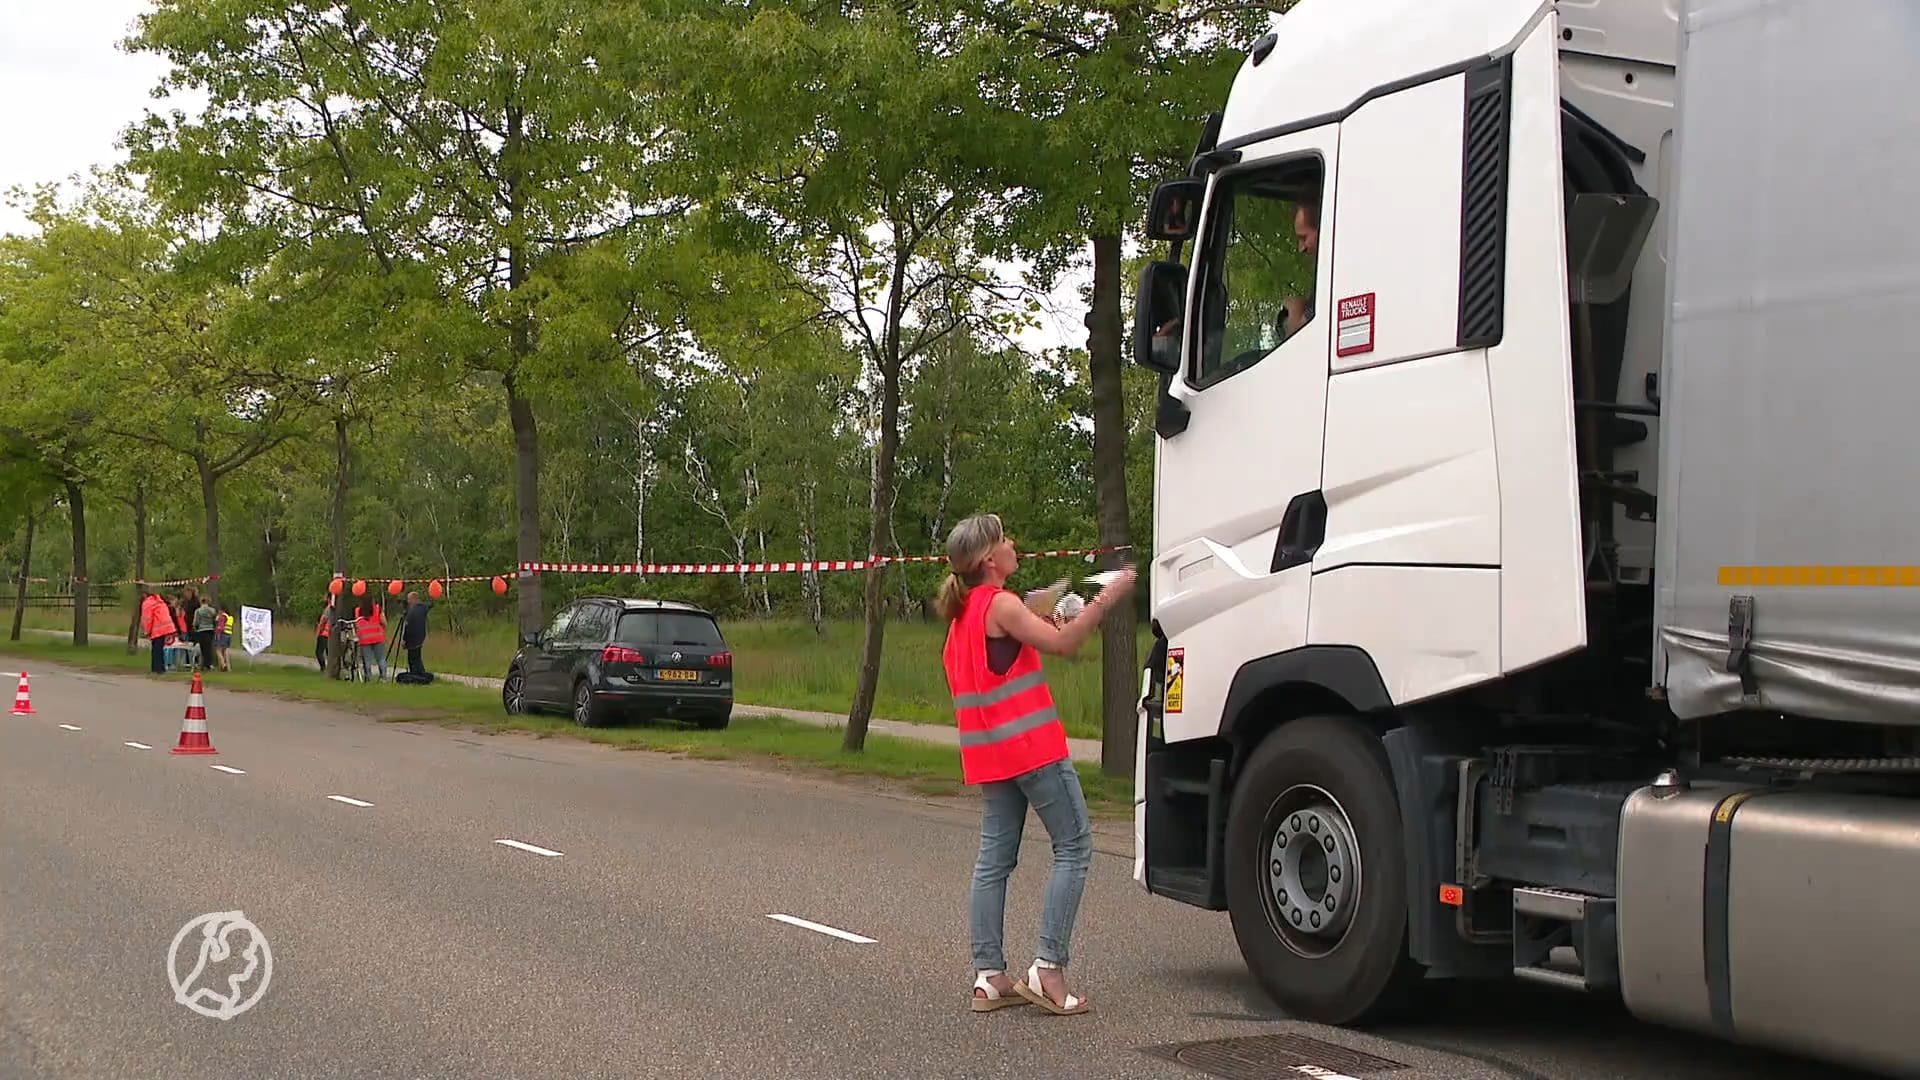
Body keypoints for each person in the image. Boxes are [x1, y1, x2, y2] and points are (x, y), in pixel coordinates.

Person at [937, 512, 1137, 1017]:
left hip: (990, 755)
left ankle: (989, 976)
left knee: (994, 861)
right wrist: (1106, 599)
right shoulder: (1000, 605)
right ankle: (1047, 967)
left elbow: (1003, 659)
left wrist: (1048, 614)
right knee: (1074, 847)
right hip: (1032, 749)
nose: (1013, 542)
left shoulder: (964, 615)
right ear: (989, 559)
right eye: (1005, 538)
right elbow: (1067, 645)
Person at [139, 587, 176, 675]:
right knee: (160, 649)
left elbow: (147, 618)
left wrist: (147, 631)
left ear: (144, 595)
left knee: (156, 649)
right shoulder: (159, 601)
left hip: (157, 628)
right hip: (166, 626)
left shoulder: (148, 603)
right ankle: (161, 668)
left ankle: (157, 668)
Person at [399, 590, 432, 682]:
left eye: (409, 599)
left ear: (414, 599)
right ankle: (421, 675)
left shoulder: (411, 611)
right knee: (417, 657)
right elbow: (429, 605)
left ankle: (416, 677)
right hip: (421, 636)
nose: (408, 602)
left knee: (413, 659)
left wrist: (404, 640)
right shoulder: (423, 608)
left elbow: (408, 626)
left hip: (412, 638)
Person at [355, 599, 388, 682]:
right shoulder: (377, 609)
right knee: (381, 659)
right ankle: (383, 677)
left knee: (367, 660)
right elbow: (384, 622)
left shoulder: (358, 611)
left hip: (364, 639)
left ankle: (368, 678)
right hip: (378, 638)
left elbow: (357, 624)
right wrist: (383, 629)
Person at [191, 594, 219, 672]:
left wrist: (195, 627)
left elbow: (196, 622)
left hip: (201, 630)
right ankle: (209, 664)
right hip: (210, 630)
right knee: (209, 648)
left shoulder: (198, 611)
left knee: (203, 648)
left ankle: (203, 664)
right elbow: (216, 620)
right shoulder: (212, 610)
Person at [214, 605, 233, 671]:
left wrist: (217, 632)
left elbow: (221, 627)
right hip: (229, 635)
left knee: (218, 650)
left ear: (222, 610)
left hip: (223, 634)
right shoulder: (230, 617)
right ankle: (228, 666)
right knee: (226, 651)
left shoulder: (222, 617)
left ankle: (223, 664)